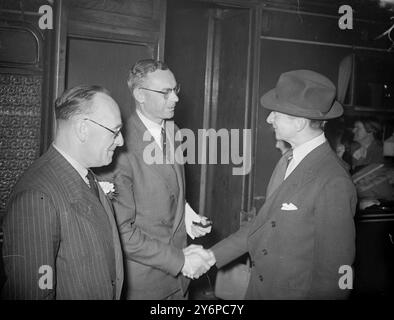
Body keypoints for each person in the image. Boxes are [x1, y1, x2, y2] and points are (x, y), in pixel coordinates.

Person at [196, 70, 357, 299]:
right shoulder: (287, 160)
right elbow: (262, 223)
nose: (269, 119)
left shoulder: (334, 181)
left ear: (300, 123)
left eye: (276, 113)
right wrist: (211, 256)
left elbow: (339, 270)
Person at [98, 59, 212, 300]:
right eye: (165, 92)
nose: (175, 99)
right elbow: (121, 233)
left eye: (175, 89)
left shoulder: (174, 131)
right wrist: (180, 261)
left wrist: (188, 216)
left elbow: (167, 188)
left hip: (180, 280)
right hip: (146, 283)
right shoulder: (118, 147)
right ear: (140, 94)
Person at [1, 85, 124, 299]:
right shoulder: (36, 196)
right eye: (115, 131)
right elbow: (34, 293)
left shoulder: (85, 175)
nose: (121, 140)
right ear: (83, 128)